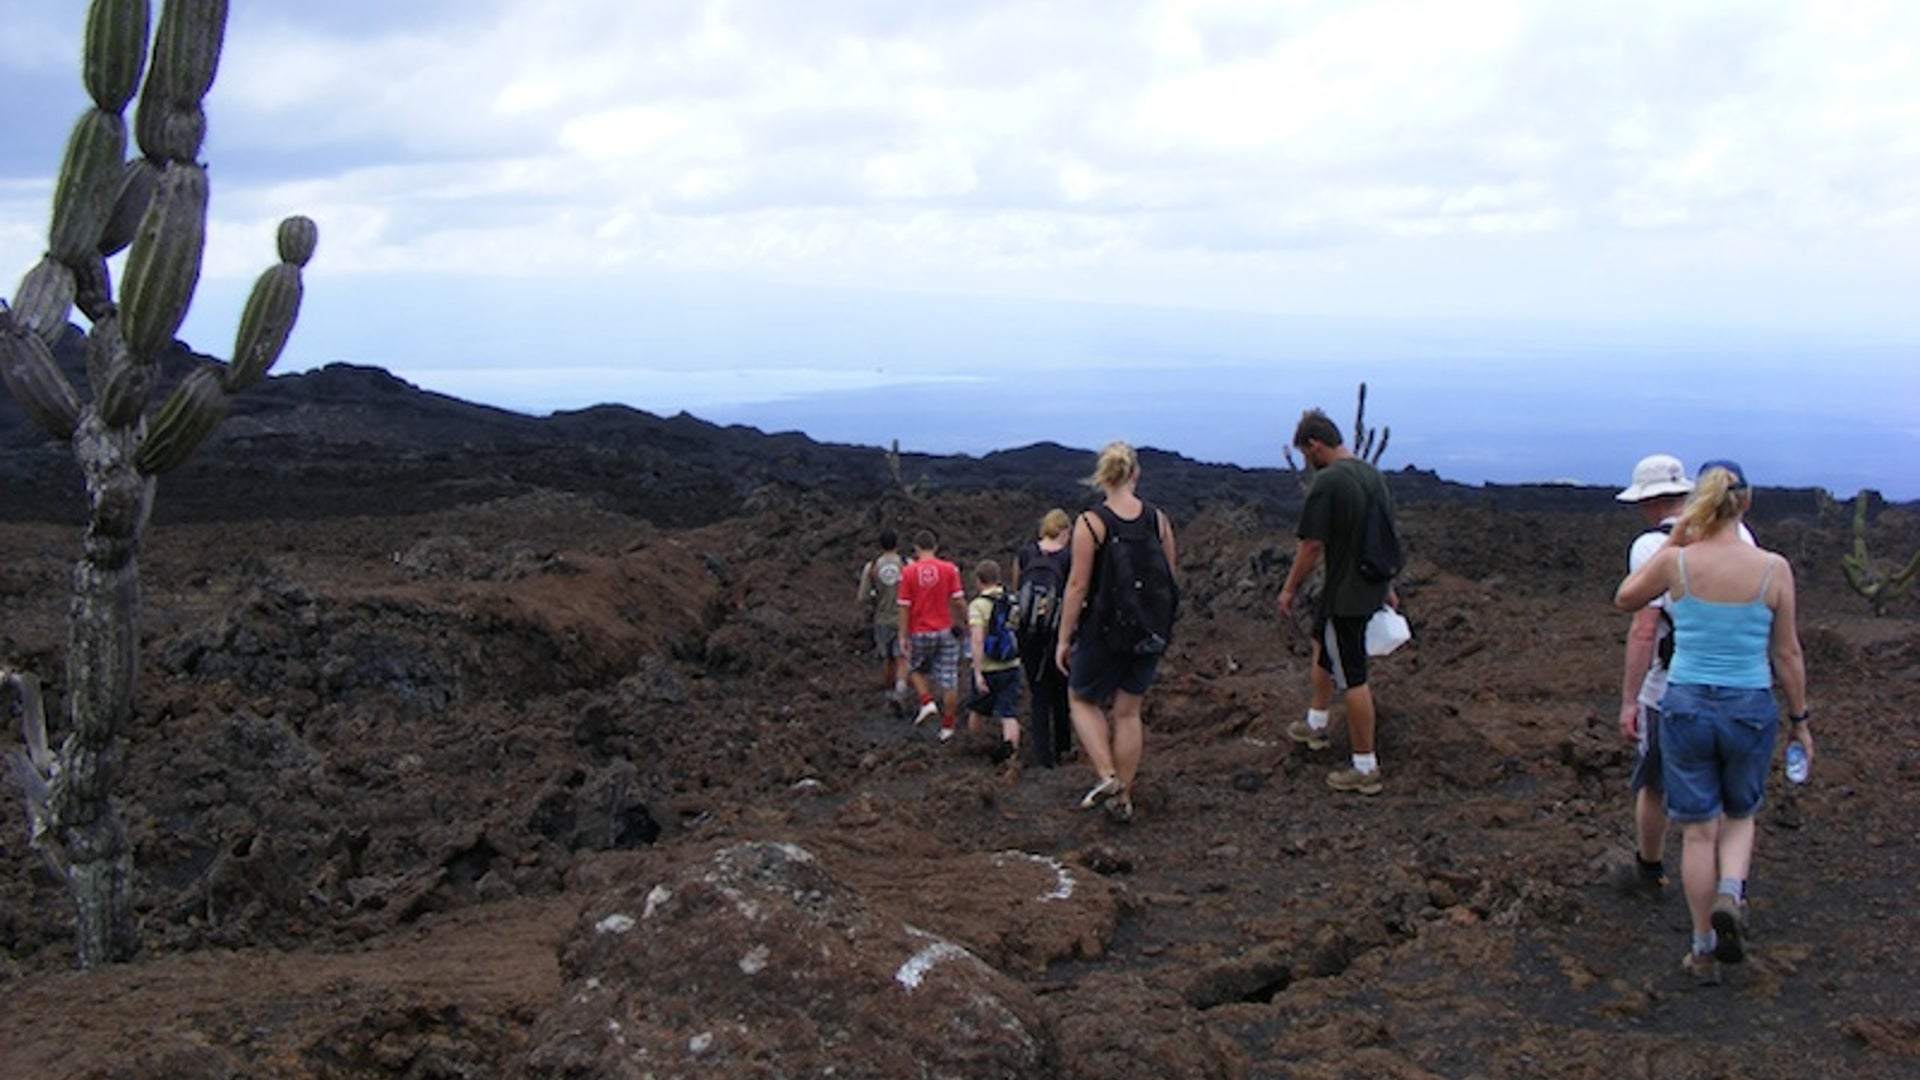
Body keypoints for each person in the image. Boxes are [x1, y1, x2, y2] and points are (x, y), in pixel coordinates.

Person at [1616, 461, 1811, 985]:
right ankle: (1731, 891)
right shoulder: (1773, 568)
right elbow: (1787, 653)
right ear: (1746, 503)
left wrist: (1677, 536)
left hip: (1685, 704)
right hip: (1748, 705)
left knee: (1698, 832)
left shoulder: (1675, 561)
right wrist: (1800, 720)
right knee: (1740, 814)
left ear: (1698, 502)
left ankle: (1702, 946)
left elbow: (1627, 598)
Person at [1054, 441, 1179, 821]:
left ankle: (1108, 776)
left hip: (1103, 629)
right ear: (1135, 473)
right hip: (1149, 630)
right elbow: (1170, 577)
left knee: (1081, 699)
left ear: (1103, 477)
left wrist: (1063, 638)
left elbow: (1077, 586)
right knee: (1128, 712)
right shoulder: (1159, 520)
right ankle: (1123, 797)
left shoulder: (1091, 524)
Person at [1277, 408, 1399, 796]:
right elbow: (1383, 533)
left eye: (1304, 454)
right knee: (1321, 644)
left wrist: (1289, 588)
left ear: (1315, 445)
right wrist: (1387, 585)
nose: (1306, 462)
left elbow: (1312, 545)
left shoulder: (1328, 482)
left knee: (1353, 677)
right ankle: (1315, 724)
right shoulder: (1372, 475)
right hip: (1367, 585)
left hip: (1347, 596)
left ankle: (1365, 767)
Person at [1612, 454, 1695, 898]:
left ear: (1650, 502)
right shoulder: (1739, 535)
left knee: (1655, 783)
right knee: (1719, 794)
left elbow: (1645, 629)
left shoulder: (1650, 547)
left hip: (1669, 687)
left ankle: (1649, 870)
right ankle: (1726, 885)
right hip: (1733, 685)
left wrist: (1630, 700)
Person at [1013, 509, 1074, 768]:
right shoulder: (1067, 558)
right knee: (1061, 691)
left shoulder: (1025, 554)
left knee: (1038, 693)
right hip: (1057, 632)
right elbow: (1074, 593)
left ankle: (1042, 756)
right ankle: (1064, 747)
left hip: (1028, 634)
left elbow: (1017, 591)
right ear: (1064, 531)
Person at [897, 529, 968, 742]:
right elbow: (958, 600)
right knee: (949, 679)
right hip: (945, 630)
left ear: (916, 548)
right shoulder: (949, 569)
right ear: (935, 547)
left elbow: (904, 606)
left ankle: (927, 701)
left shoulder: (908, 572)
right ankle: (947, 728)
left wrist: (903, 635)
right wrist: (968, 621)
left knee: (914, 668)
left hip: (919, 631)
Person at [965, 559, 1023, 766]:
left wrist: (977, 672)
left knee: (977, 710)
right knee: (1009, 714)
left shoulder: (978, 605)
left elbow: (977, 640)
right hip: (1011, 665)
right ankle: (1012, 758)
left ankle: (975, 751)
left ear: (978, 581)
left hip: (988, 667)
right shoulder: (1013, 601)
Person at [856, 529, 908, 716]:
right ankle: (900, 692)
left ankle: (889, 694)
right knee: (902, 657)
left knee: (888, 659)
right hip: (903, 618)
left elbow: (862, 597)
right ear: (897, 544)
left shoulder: (872, 568)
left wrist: (875, 598)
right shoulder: (906, 564)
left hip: (882, 619)